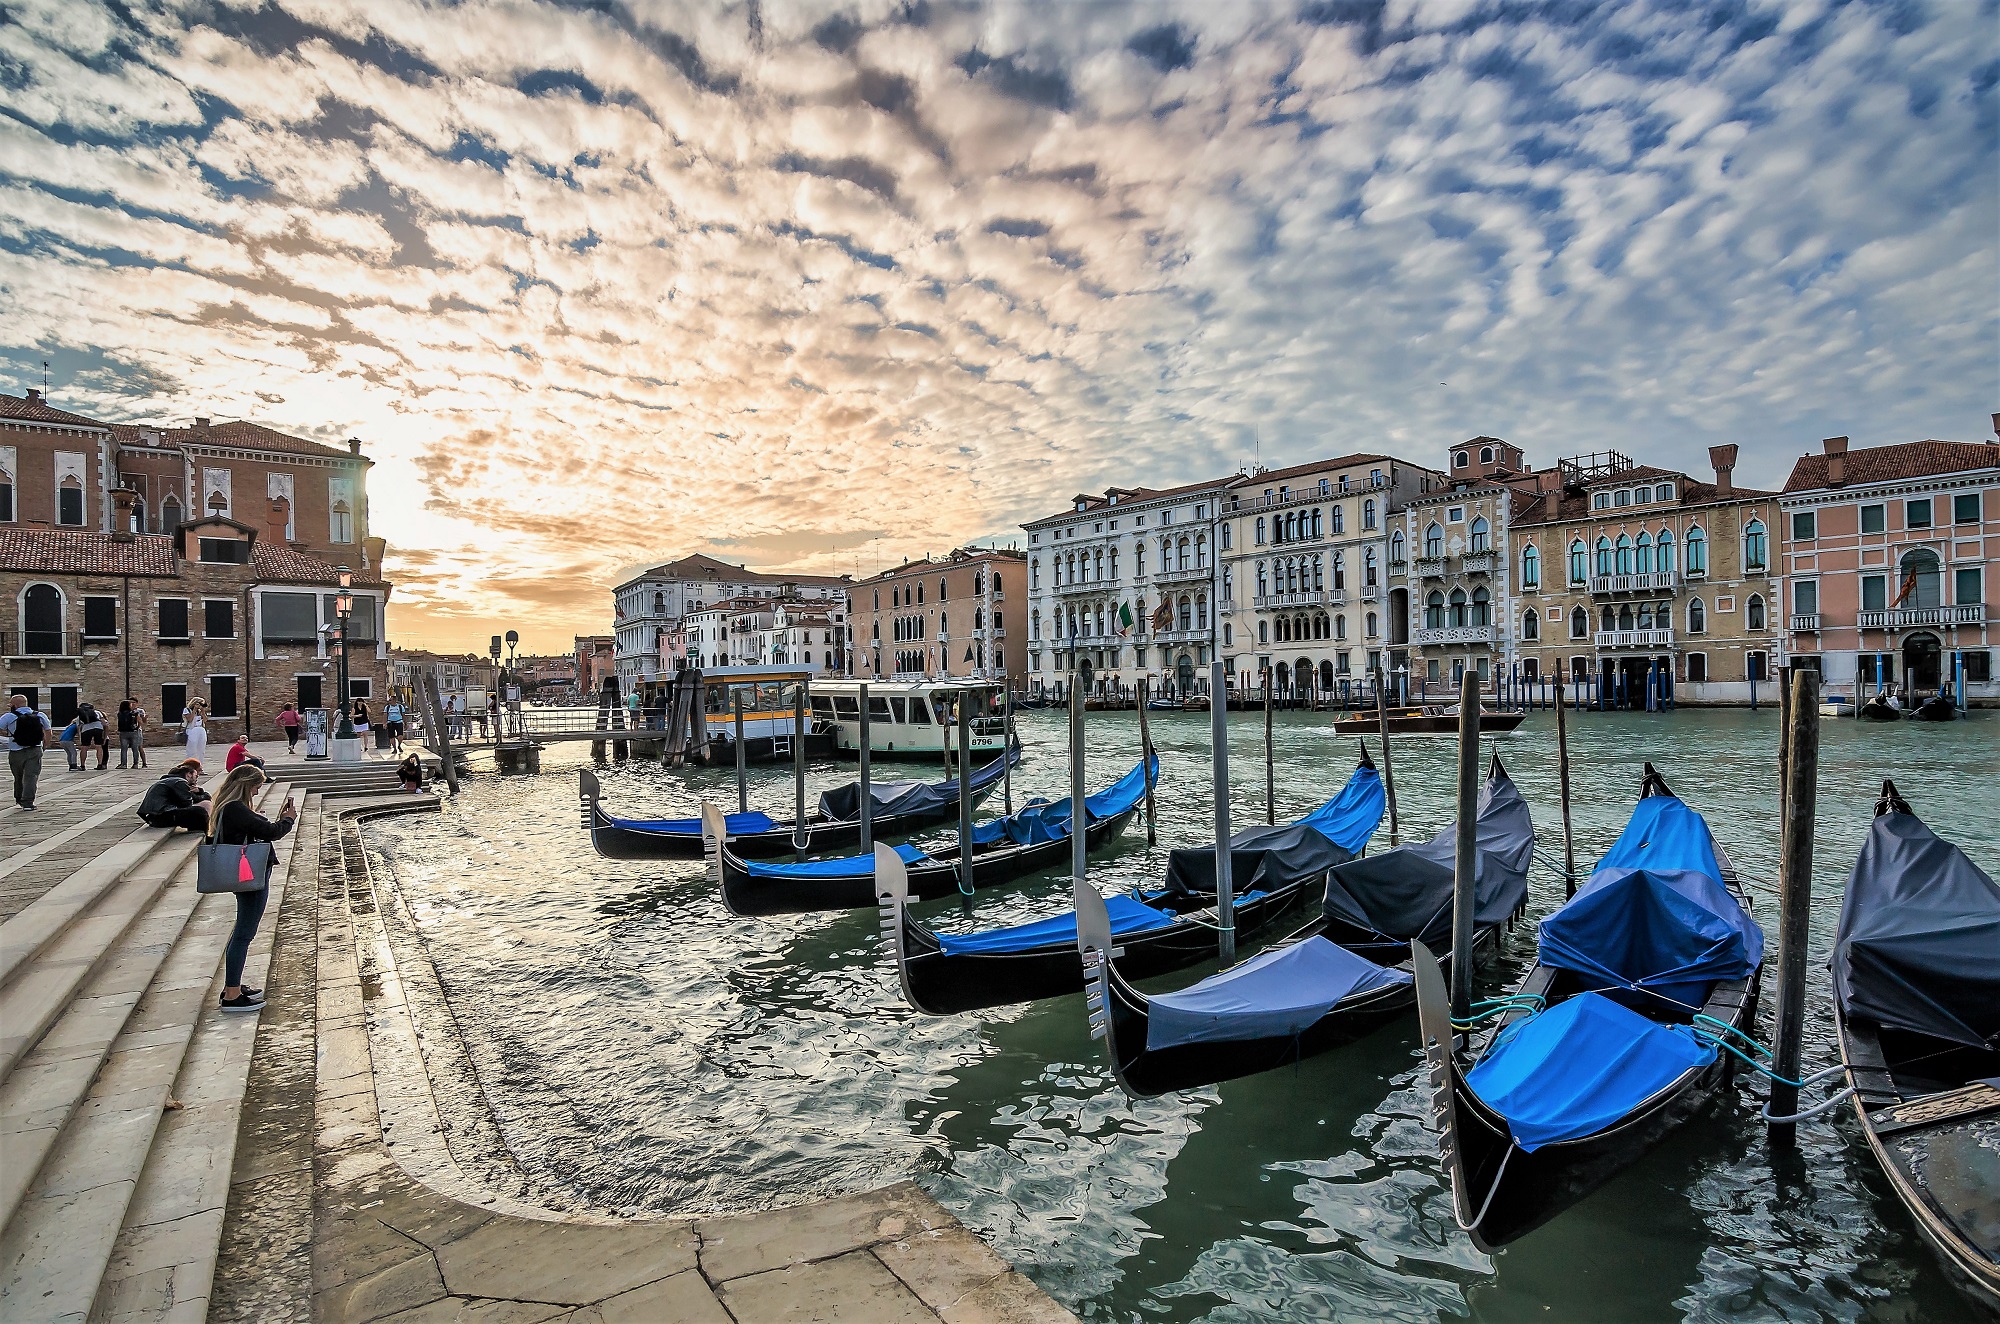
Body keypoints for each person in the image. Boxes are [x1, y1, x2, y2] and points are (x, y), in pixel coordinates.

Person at [207, 764, 296, 1011]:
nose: (257, 792)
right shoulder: (235, 808)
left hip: (246, 874)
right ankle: (232, 996)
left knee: (242, 931)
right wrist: (288, 819)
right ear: (246, 785)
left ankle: (232, 986)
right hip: (250, 877)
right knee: (245, 932)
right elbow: (271, 832)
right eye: (256, 787)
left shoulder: (230, 807)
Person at [2, 694, 48, 809]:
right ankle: (28, 802)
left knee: (18, 776)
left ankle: (19, 798)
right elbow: (48, 731)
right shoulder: (40, 715)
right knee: (31, 776)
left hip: (16, 750)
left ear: (15, 705)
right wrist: (45, 745)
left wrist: (8, 737)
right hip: (35, 749)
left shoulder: (9, 716)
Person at [138, 758, 210, 831]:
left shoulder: (170, 781)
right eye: (196, 776)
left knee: (196, 812)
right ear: (189, 774)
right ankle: (203, 835)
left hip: (155, 816)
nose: (196, 779)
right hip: (161, 816)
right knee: (199, 812)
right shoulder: (180, 782)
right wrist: (202, 794)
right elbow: (188, 803)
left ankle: (198, 833)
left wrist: (199, 791)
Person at [77, 699, 109, 770]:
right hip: (98, 728)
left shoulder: (81, 714)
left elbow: (78, 727)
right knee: (99, 747)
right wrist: (105, 737)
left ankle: (82, 765)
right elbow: (105, 723)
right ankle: (100, 764)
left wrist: (80, 739)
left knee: (84, 748)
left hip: (86, 729)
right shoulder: (97, 712)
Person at [116, 700, 144, 768]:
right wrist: (137, 728)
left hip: (123, 732)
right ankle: (135, 764)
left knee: (124, 749)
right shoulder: (134, 713)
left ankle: (124, 764)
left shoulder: (119, 714)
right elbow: (140, 722)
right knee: (135, 748)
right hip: (133, 732)